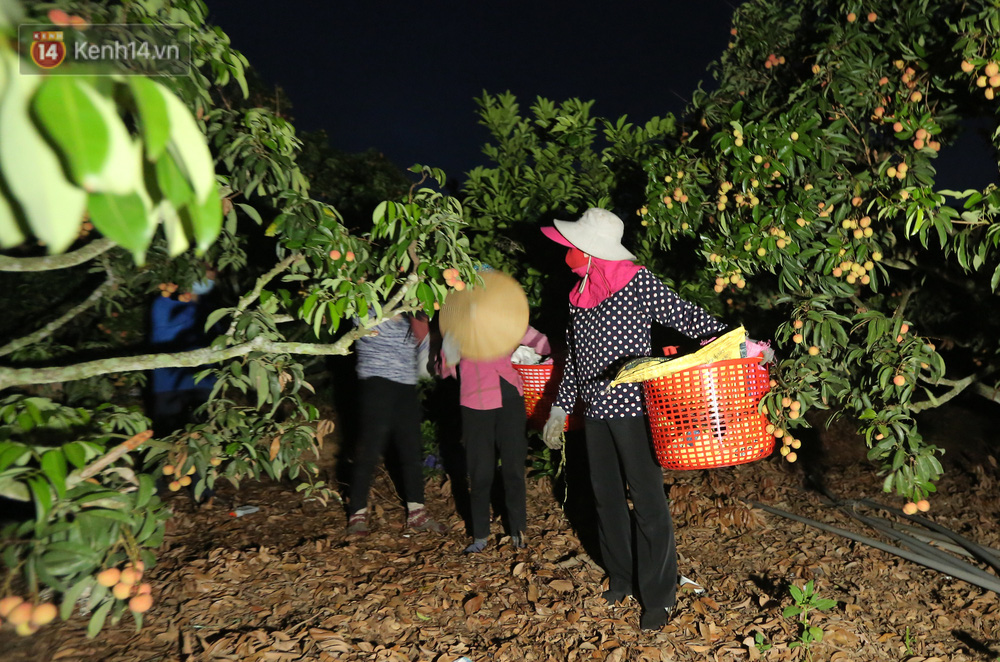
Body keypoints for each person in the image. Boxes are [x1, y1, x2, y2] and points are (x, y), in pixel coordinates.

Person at [540, 208, 728, 631]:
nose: (566, 252)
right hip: (595, 413)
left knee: (647, 503)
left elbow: (687, 316)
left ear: (589, 250)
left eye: (572, 246)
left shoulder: (635, 281)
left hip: (633, 411)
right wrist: (559, 408)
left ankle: (659, 596)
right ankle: (622, 576)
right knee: (605, 498)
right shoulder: (578, 295)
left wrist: (737, 342)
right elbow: (575, 362)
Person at [441, 323, 551, 553]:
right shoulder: (458, 326)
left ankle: (518, 531)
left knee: (513, 470)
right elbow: (444, 369)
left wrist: (525, 342)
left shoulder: (507, 319)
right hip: (474, 402)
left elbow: (544, 345)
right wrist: (449, 354)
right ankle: (480, 535)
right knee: (480, 472)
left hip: (510, 399)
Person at [346, 312, 447, 536]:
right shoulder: (366, 305)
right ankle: (357, 514)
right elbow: (361, 326)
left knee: (411, 450)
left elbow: (423, 340)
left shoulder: (409, 309)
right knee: (369, 450)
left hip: (406, 385)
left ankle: (417, 513)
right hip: (376, 382)